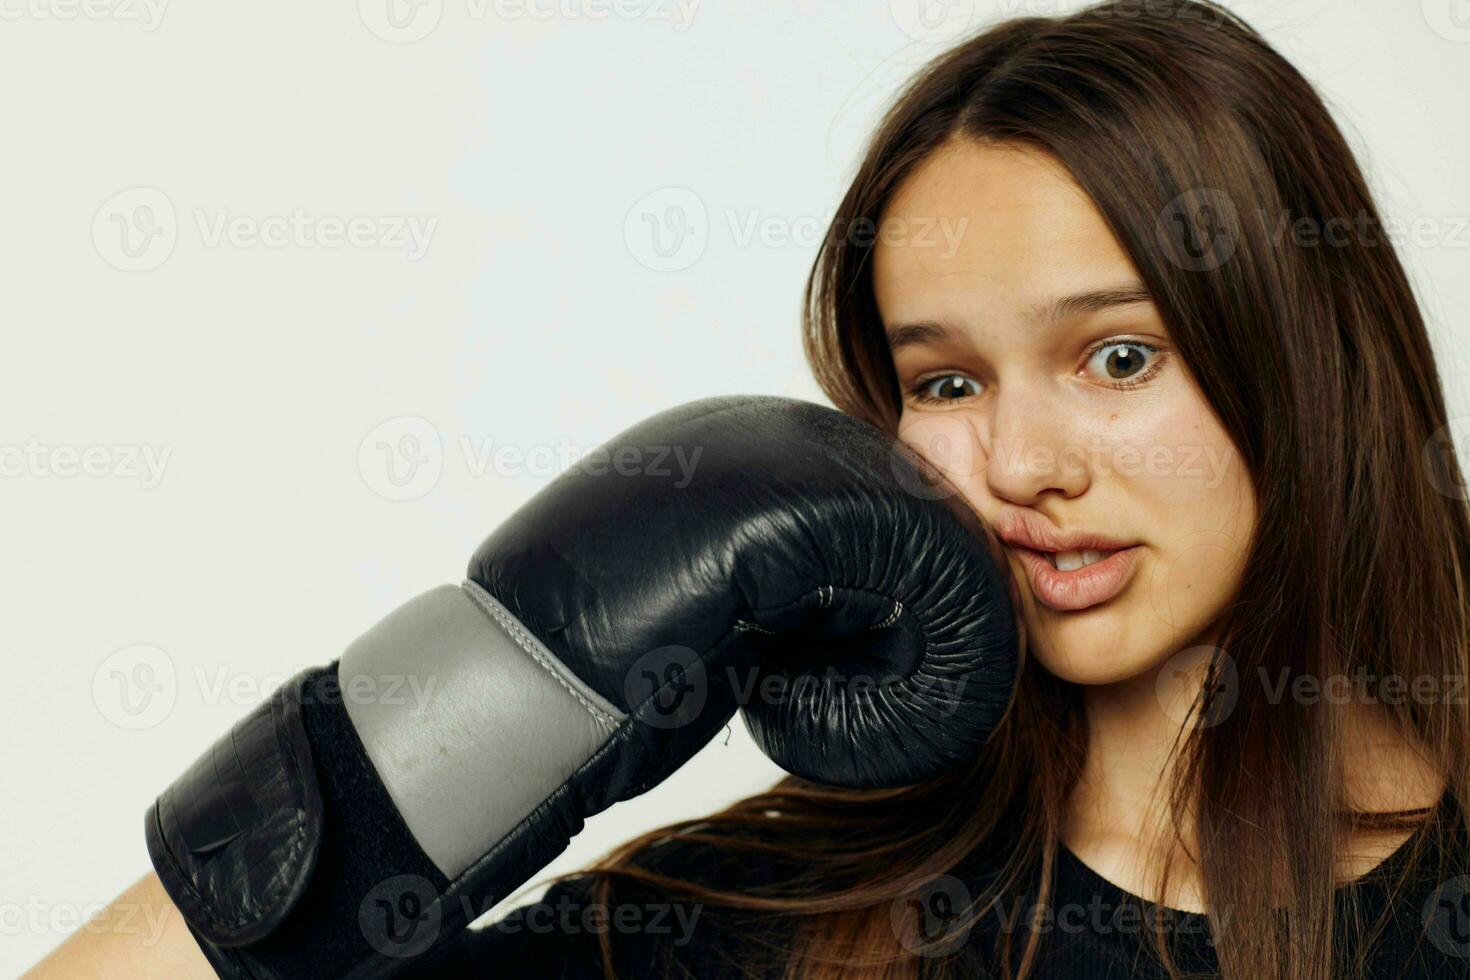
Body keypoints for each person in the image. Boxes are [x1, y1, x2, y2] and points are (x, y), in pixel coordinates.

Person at [25, 2, 1470, 978]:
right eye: (946, 383)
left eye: (1113, 354)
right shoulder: (762, 920)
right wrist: (468, 709)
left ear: (1301, 363)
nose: (1027, 465)